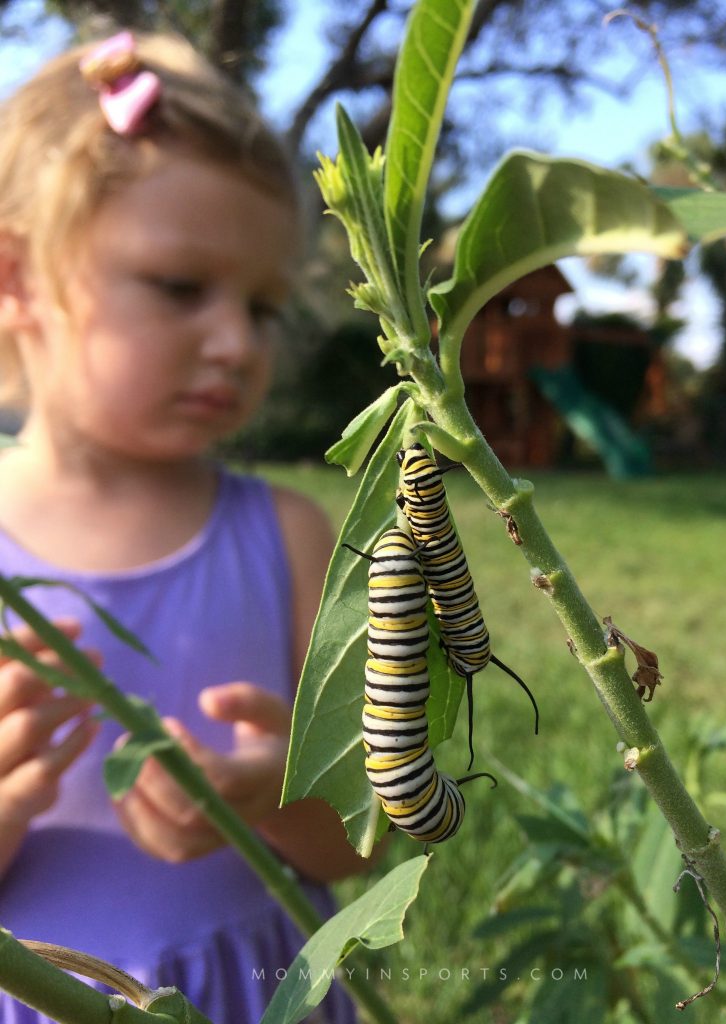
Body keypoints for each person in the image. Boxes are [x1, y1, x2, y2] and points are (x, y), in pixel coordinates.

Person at [0, 30, 366, 1024]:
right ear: (16, 277)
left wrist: (277, 797)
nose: (236, 342)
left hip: (260, 991)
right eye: (178, 287)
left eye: (264, 305)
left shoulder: (288, 536)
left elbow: (370, 838)